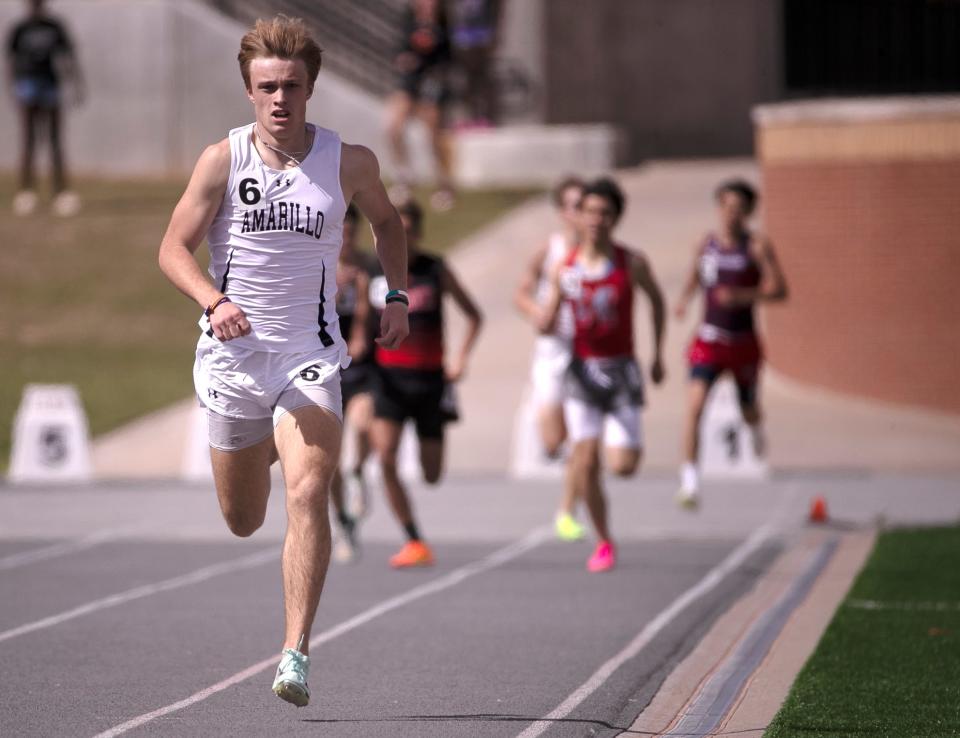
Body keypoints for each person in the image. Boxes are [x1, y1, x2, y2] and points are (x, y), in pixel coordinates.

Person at [157, 15, 409, 708]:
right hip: (234, 359)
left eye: (291, 86)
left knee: (308, 492)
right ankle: (268, 439)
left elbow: (388, 223)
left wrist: (397, 295)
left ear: (311, 88)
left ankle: (294, 652)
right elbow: (172, 249)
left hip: (309, 354)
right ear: (248, 90)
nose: (279, 100)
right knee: (243, 517)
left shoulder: (348, 160)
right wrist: (212, 301)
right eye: (267, 87)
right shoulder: (221, 159)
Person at [539, 178, 665, 573]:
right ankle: (604, 540)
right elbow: (549, 314)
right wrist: (541, 317)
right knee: (586, 457)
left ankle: (606, 460)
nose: (596, 219)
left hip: (622, 369)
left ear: (615, 218)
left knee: (624, 466)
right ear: (580, 216)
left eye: (604, 213)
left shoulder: (632, 262)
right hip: (581, 371)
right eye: (589, 211)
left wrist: (658, 354)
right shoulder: (567, 266)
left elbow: (657, 301)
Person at [370, 199, 482, 568]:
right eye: (395, 230)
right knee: (385, 457)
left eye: (409, 230)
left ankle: (416, 536)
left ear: (418, 233)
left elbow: (474, 316)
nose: (404, 237)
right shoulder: (375, 274)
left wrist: (460, 359)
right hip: (389, 381)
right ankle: (414, 539)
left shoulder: (435, 269)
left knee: (432, 474)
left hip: (431, 381)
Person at [673, 179, 788, 509]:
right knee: (694, 407)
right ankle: (690, 482)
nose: (730, 215)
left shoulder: (756, 247)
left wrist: (743, 296)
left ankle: (755, 427)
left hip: (743, 343)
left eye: (738, 209)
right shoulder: (705, 244)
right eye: (725, 207)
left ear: (749, 212)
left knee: (748, 409)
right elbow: (695, 277)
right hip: (709, 339)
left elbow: (779, 289)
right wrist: (683, 300)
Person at [514, 175, 586, 541]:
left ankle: (567, 511)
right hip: (553, 351)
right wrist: (535, 311)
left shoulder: (600, 253)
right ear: (561, 212)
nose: (580, 213)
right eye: (573, 205)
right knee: (554, 440)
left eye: (585, 204)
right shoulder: (551, 249)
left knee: (582, 437)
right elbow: (521, 293)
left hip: (589, 352)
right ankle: (577, 483)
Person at [329, 202, 377, 563]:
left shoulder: (368, 267)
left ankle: (358, 473)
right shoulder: (319, 262)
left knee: (362, 425)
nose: (345, 238)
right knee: (327, 461)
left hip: (359, 364)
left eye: (350, 231)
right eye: (339, 230)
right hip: (323, 363)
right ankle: (343, 522)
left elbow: (366, 314)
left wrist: (361, 336)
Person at [6, 0, 84, 217]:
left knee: (55, 141)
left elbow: (68, 56)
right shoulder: (20, 29)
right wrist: (13, 89)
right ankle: (26, 191)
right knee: (28, 140)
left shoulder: (54, 27)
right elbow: (11, 61)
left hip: (50, 86)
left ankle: (61, 192)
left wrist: (76, 84)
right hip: (27, 86)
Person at [385, 0, 456, 211]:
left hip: (431, 83)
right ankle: (404, 177)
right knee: (393, 127)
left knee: (433, 136)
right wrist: (404, 60)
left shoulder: (441, 26)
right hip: (410, 83)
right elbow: (400, 49)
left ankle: (444, 185)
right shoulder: (410, 23)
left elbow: (447, 58)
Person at [448, 0, 501, 128]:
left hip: (481, 40)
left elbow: (496, 13)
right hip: (461, 39)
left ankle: (485, 117)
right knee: (464, 82)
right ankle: (468, 117)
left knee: (482, 80)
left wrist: (493, 36)